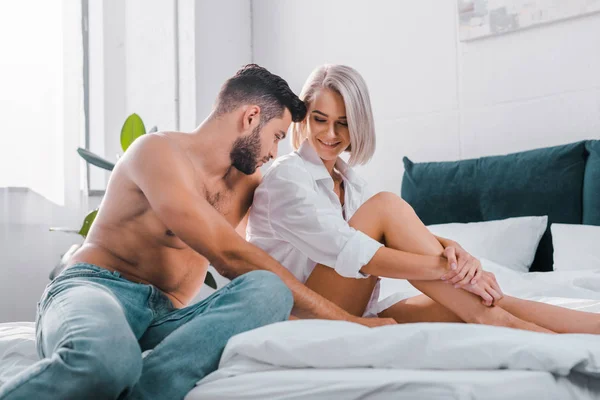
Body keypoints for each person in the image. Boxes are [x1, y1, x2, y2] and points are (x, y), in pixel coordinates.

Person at [0, 64, 396, 400]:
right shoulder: (155, 152)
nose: (276, 152)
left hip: (168, 317)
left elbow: (291, 243)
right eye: (277, 136)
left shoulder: (248, 182)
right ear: (251, 117)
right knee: (106, 360)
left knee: (269, 290)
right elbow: (231, 256)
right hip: (98, 289)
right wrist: (353, 324)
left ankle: (148, 389)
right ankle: (119, 371)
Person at [248, 64, 600, 335]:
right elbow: (355, 254)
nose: (329, 133)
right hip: (302, 316)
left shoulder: (350, 182)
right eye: (319, 119)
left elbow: (393, 239)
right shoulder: (287, 177)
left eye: (343, 123)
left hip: (354, 308)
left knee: (478, 301)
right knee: (390, 209)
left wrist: (456, 251)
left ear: (358, 125)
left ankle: (590, 326)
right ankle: (501, 324)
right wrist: (449, 271)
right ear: (303, 118)